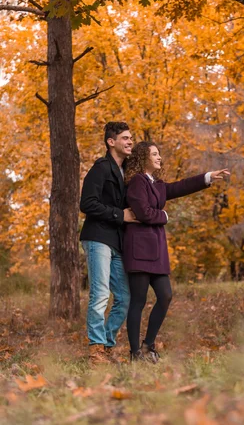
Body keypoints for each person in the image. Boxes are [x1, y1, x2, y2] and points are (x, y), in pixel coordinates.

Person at [123, 141, 229, 363]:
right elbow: (143, 212)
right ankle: (135, 354)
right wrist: (165, 217)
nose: (159, 157)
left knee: (165, 295)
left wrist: (208, 176)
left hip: (157, 252)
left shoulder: (156, 184)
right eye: (154, 154)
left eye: (159, 153)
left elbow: (180, 187)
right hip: (139, 249)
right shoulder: (136, 182)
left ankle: (148, 345)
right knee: (138, 301)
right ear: (143, 158)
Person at [80, 121, 135, 364]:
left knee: (124, 298)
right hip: (98, 237)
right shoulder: (101, 167)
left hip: (117, 241)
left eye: (130, 137)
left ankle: (107, 345)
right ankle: (96, 349)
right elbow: (87, 203)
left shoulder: (127, 172)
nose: (130, 141)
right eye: (125, 138)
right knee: (101, 294)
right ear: (111, 142)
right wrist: (119, 214)